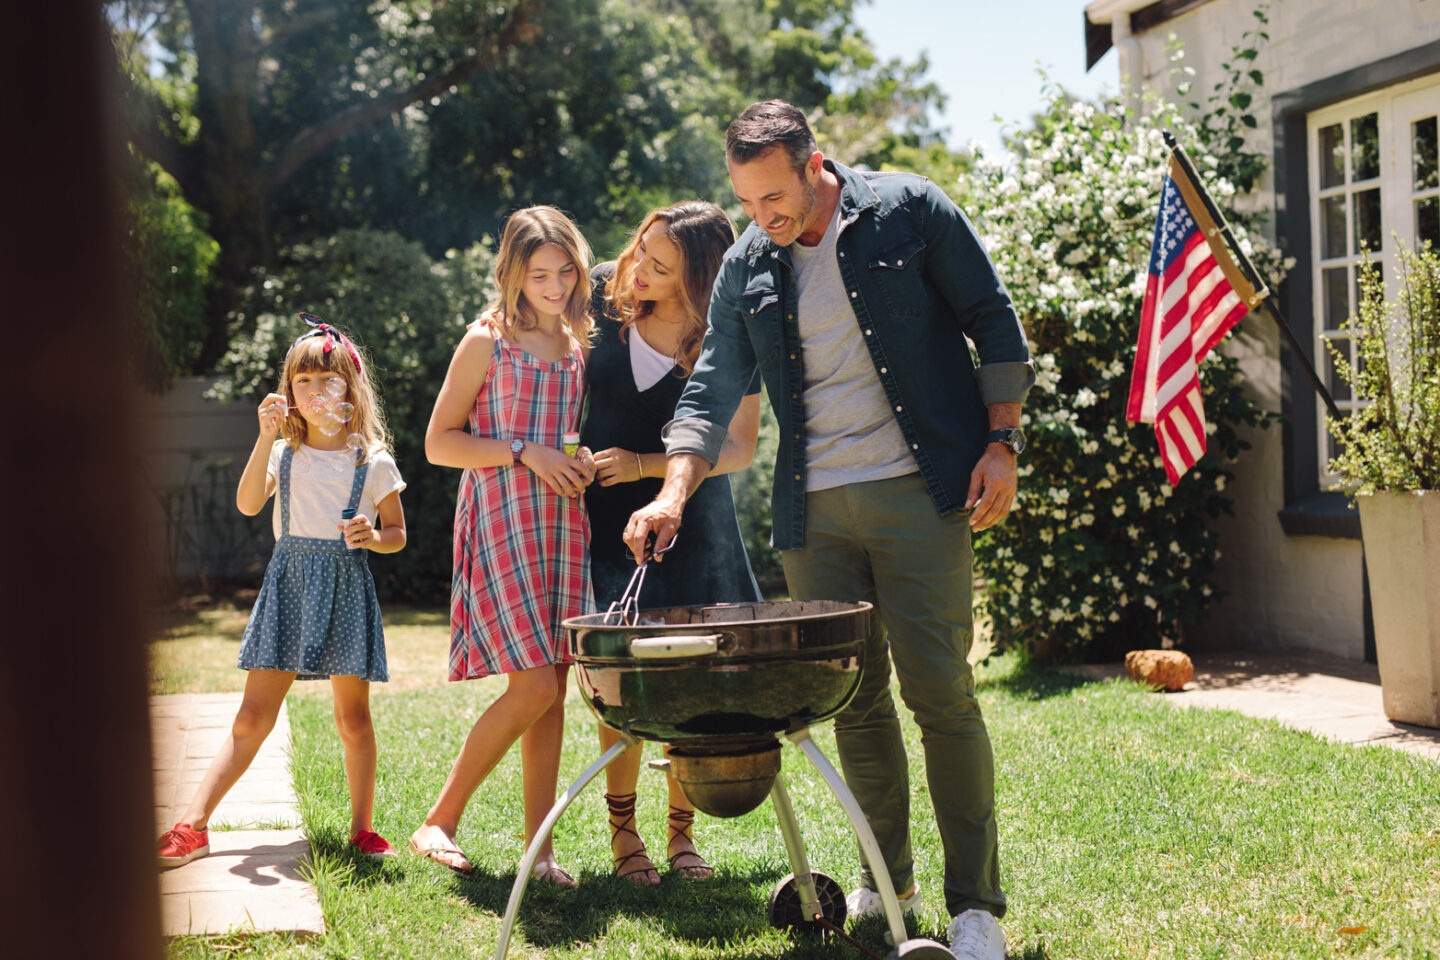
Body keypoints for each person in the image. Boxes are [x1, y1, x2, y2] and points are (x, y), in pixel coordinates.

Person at [623, 101, 1034, 960]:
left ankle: (975, 908)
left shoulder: (909, 210)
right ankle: (892, 890)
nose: (762, 218)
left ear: (816, 165)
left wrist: (1002, 442)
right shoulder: (746, 262)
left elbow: (993, 319)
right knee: (856, 704)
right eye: (747, 202)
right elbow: (710, 391)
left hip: (921, 491)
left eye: (776, 198)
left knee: (942, 696)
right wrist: (670, 492)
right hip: (816, 513)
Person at [157, 316, 408, 868]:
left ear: (351, 388)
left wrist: (374, 536)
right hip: (290, 586)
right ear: (289, 391)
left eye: (329, 381)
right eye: (304, 382)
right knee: (251, 718)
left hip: (344, 590)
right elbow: (249, 504)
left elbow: (397, 534)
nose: (316, 392)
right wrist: (264, 436)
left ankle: (361, 829)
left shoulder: (372, 460)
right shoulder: (284, 454)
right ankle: (192, 825)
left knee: (354, 720)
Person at [411, 205, 597, 887]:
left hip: (561, 521)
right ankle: (440, 818)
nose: (553, 285)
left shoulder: (576, 346)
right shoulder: (487, 340)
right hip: (502, 513)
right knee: (531, 685)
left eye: (563, 270)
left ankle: (539, 851)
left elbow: (563, 441)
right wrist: (524, 453)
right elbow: (438, 443)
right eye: (537, 274)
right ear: (512, 276)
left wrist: (576, 463)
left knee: (552, 685)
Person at [581, 201, 763, 885]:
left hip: (694, 527)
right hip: (602, 528)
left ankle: (682, 837)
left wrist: (642, 465)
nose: (636, 272)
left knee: (691, 683)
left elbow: (739, 449)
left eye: (660, 266)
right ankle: (624, 838)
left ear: (699, 279)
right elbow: (526, 326)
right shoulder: (601, 297)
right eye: (638, 252)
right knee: (620, 682)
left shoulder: (728, 334)